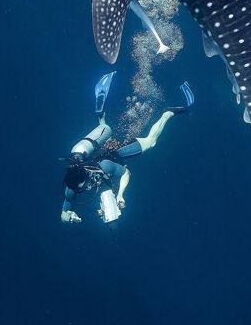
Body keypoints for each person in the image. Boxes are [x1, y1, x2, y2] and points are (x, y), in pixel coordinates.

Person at [61, 74, 194, 224]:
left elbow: (125, 172)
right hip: (91, 152)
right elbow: (64, 212)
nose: (87, 189)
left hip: (114, 153)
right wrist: (68, 217)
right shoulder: (72, 189)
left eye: (87, 185)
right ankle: (101, 118)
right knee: (102, 130)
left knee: (150, 142)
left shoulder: (104, 166)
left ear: (88, 173)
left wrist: (120, 195)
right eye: (82, 190)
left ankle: (167, 113)